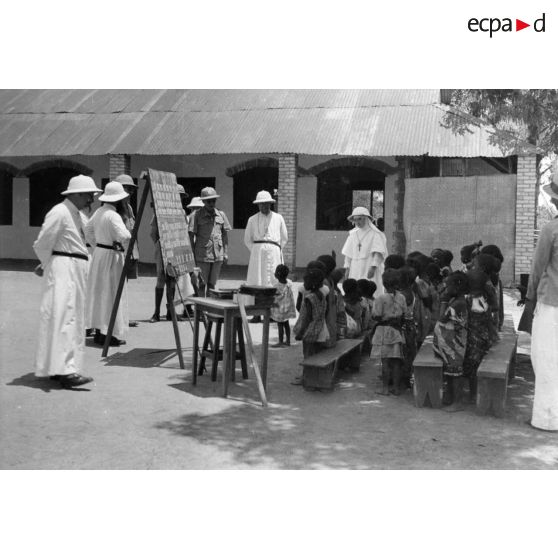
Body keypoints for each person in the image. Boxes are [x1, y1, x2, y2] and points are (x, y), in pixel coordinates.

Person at [33, 174, 102, 389]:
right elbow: (43, 242)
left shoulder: (76, 214)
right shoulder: (60, 212)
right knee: (66, 318)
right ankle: (67, 370)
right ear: (77, 194)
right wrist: (47, 263)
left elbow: (86, 238)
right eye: (89, 195)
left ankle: (57, 367)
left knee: (68, 317)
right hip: (65, 270)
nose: (91, 200)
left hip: (73, 268)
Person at [526, 168, 558, 431]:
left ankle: (547, 419)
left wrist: (530, 299)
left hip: (551, 304)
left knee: (546, 359)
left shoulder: (551, 229)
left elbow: (537, 269)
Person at [85, 181, 132, 346]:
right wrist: (121, 247)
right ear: (118, 200)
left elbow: (87, 230)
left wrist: (97, 245)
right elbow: (125, 236)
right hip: (112, 257)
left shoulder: (98, 211)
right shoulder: (113, 215)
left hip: (100, 255)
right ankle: (109, 335)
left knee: (101, 295)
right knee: (112, 294)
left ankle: (100, 332)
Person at [244, 190, 288, 322]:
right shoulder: (252, 219)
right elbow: (247, 239)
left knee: (273, 282)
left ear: (270, 204)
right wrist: (258, 250)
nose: (264, 206)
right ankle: (256, 313)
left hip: (274, 252)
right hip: (258, 255)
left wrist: (274, 249)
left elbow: (284, 238)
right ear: (258, 205)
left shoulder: (278, 218)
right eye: (261, 204)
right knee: (257, 281)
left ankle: (272, 314)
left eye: (266, 204)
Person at [433, 271, 470, 412]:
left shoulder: (458, 303)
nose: (445, 289)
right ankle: (449, 396)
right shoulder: (456, 300)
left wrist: (443, 300)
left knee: (455, 372)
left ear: (457, 287)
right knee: (450, 371)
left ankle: (457, 401)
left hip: (455, 345)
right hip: (450, 344)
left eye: (448, 286)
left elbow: (442, 317)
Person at [188, 186, 231, 295]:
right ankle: (202, 311)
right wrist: (192, 256)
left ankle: (210, 310)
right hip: (202, 255)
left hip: (217, 256)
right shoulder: (196, 215)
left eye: (213, 200)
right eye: (209, 201)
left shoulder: (221, 215)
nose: (212, 203)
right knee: (202, 284)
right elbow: (190, 237)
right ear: (203, 201)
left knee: (212, 285)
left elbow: (225, 235)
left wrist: (225, 253)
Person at [371, 269, 407, 396]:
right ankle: (396, 388)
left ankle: (385, 388)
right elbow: (404, 314)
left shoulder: (380, 298)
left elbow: (376, 315)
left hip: (383, 331)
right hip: (397, 331)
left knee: (385, 362)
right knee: (396, 361)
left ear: (384, 283)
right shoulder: (402, 297)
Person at [293, 268, 328, 385]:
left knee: (308, 355)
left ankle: (306, 378)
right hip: (321, 328)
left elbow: (307, 319)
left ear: (312, 283)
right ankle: (313, 377)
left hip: (310, 331)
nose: (303, 284)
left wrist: (300, 333)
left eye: (305, 282)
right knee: (315, 355)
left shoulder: (309, 298)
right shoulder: (321, 295)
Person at [342, 206, 388, 294]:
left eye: (360, 219)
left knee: (370, 290)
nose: (357, 222)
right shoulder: (352, 234)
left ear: (366, 219)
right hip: (355, 267)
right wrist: (347, 268)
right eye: (355, 219)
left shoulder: (375, 234)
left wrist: (373, 267)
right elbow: (348, 254)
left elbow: (378, 253)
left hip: (369, 265)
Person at [114, 174, 140, 327]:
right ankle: (117, 320)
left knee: (124, 286)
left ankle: (122, 317)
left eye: (130, 189)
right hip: (119, 251)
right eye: (126, 188)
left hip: (130, 251)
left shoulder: (128, 207)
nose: (129, 192)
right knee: (116, 287)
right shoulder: (114, 209)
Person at [270, 264, 296, 347]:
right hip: (287, 308)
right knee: (286, 324)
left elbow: (273, 297)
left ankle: (280, 341)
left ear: (276, 275)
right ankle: (288, 341)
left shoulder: (276, 286)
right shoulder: (289, 283)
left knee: (280, 325)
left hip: (280, 309)